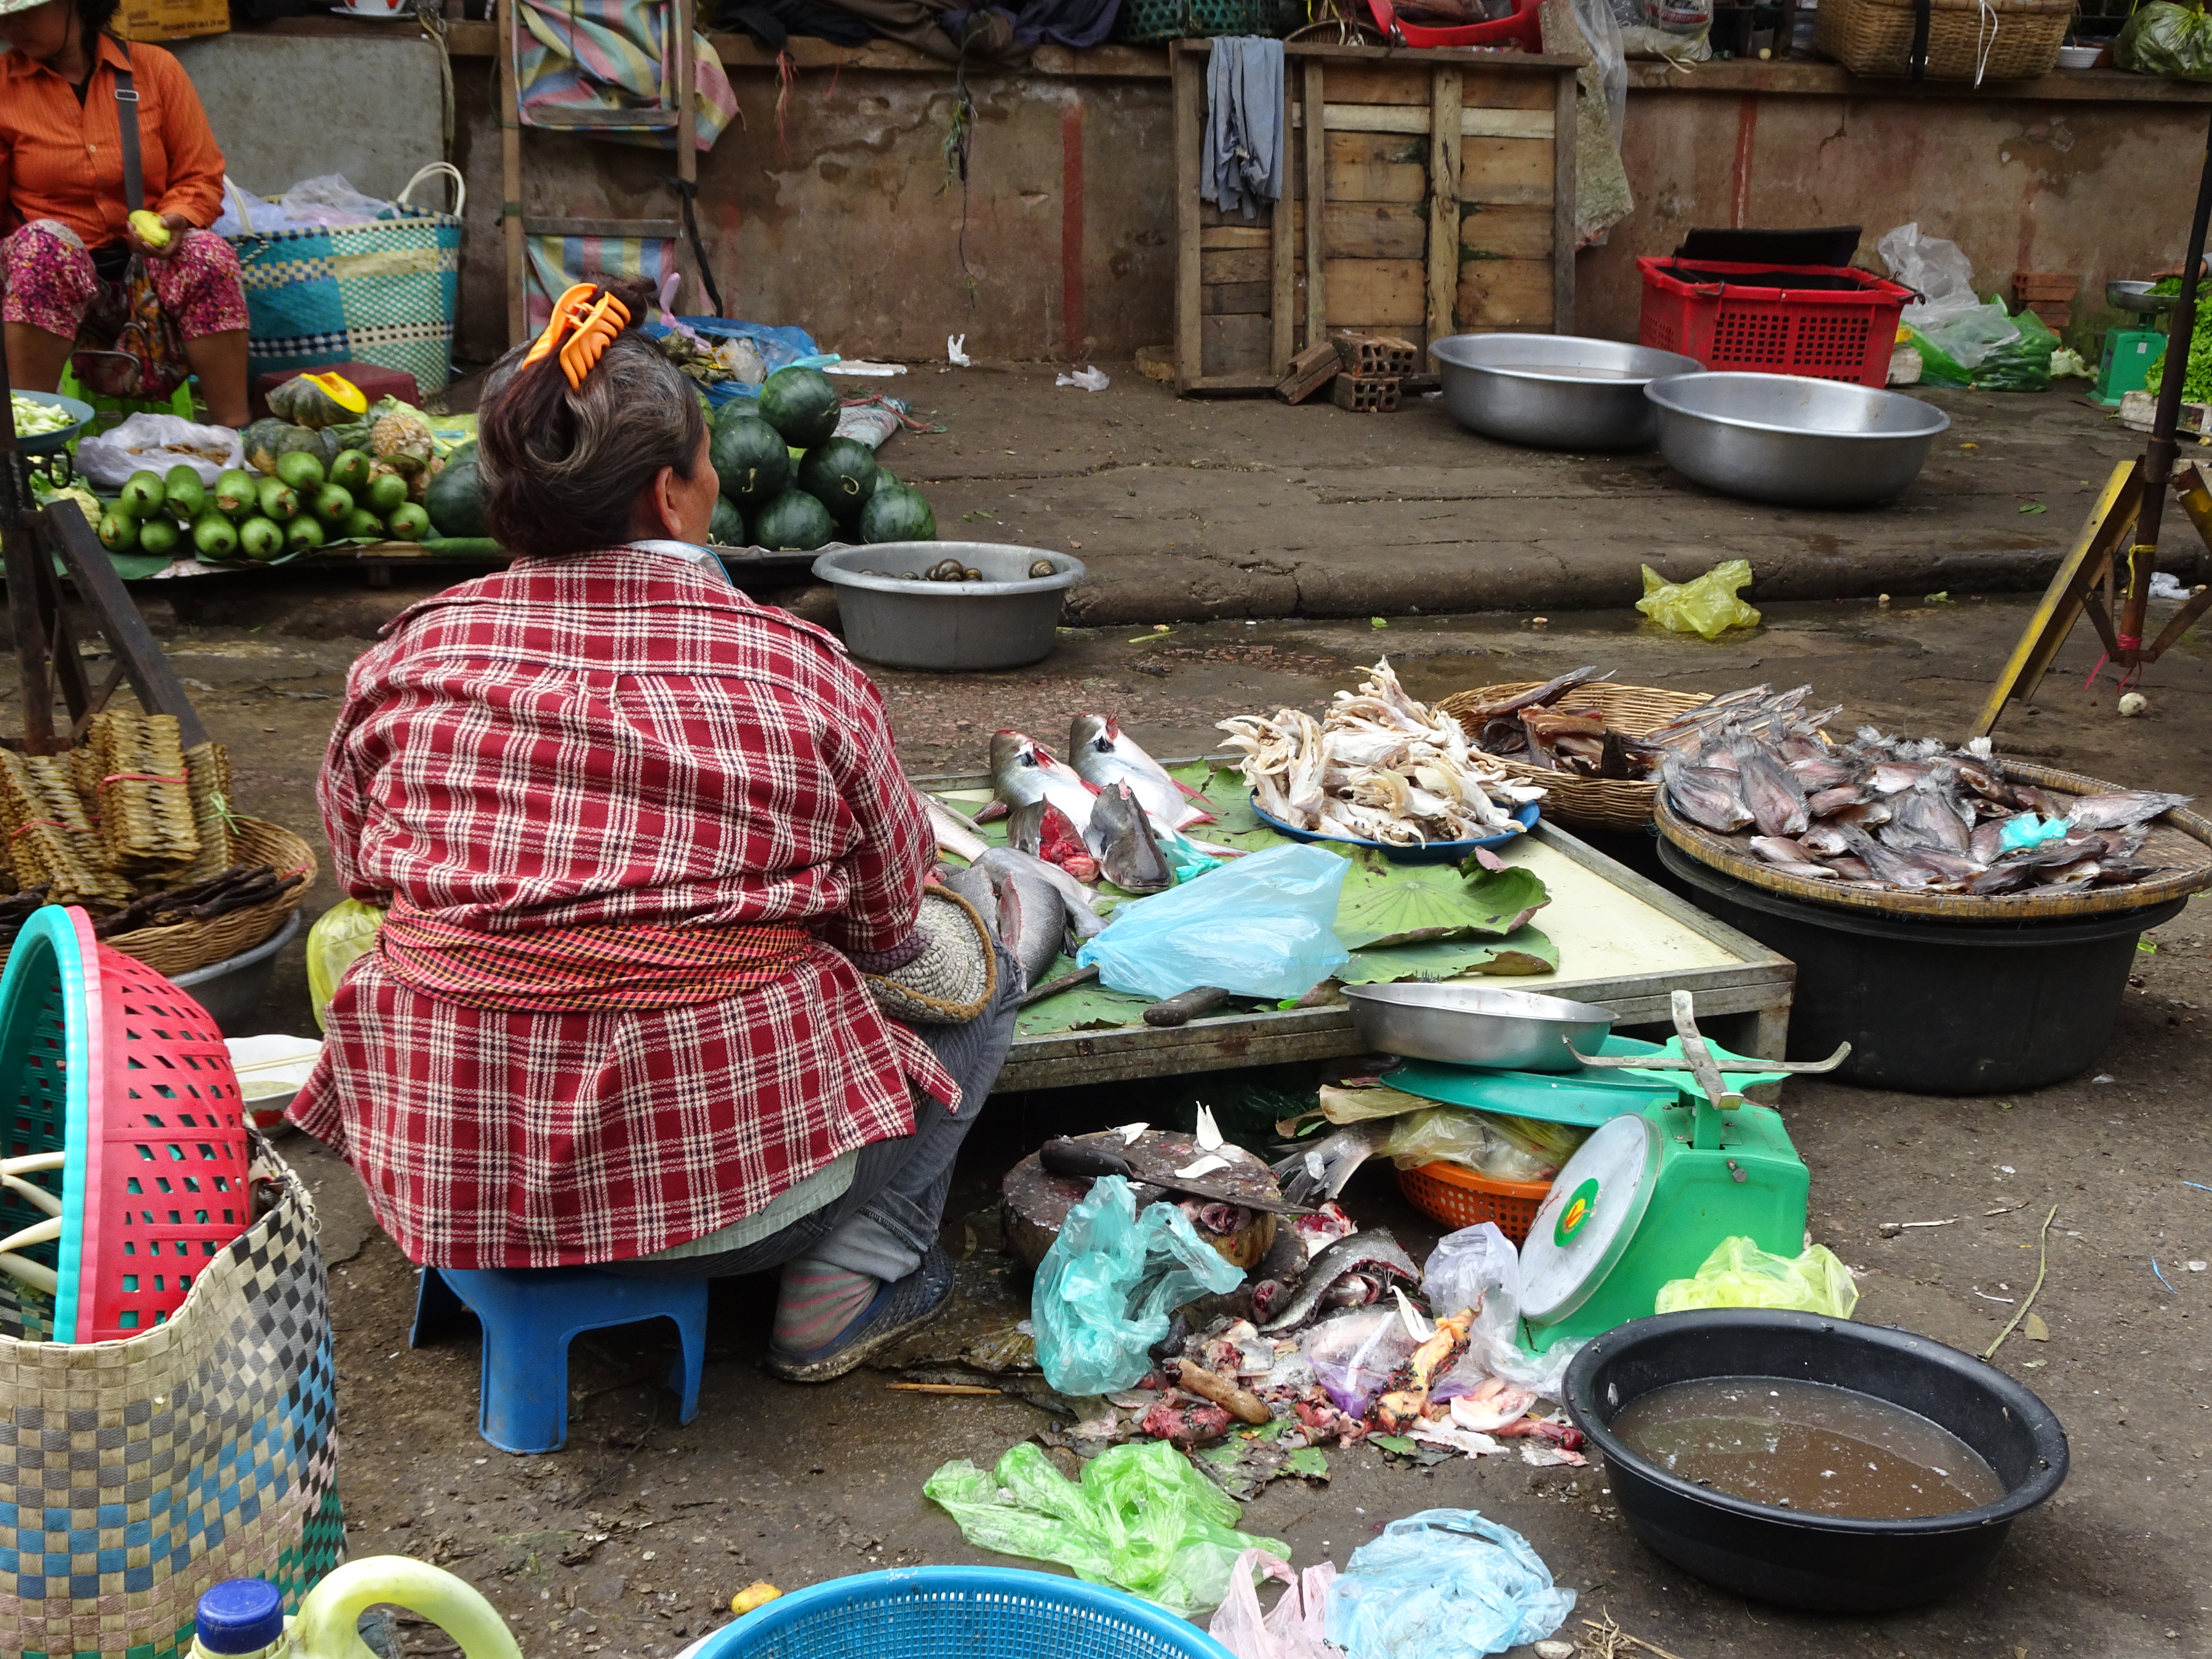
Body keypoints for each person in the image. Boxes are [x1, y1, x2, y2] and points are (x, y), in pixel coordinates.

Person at [289, 286, 1019, 1381]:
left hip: (449, 1178)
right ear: (672, 496)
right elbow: (887, 927)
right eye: (709, 462)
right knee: (983, 973)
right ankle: (853, 1272)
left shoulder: (407, 659)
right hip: (734, 1216)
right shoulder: (801, 673)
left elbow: (362, 872)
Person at [0, 0, 250, 426]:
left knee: (209, 255)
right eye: (3, 14)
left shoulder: (155, 70)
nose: (11, 24)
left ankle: (235, 433)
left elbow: (201, 175)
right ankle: (31, 438)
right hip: (47, 281)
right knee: (44, 247)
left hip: (148, 273)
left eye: (25, 9)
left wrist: (176, 217)